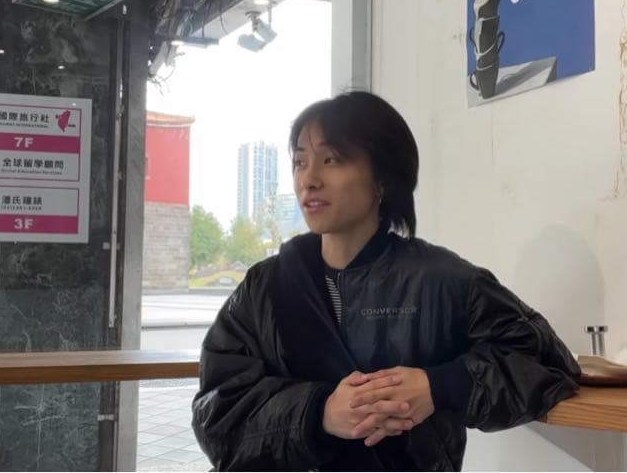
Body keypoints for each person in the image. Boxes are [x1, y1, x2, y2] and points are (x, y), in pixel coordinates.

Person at [191, 91, 581, 471]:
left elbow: (547, 361)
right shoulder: (265, 287)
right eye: (299, 162)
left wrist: (439, 386)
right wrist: (318, 413)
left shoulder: (441, 280)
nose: (309, 179)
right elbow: (217, 411)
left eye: (331, 159)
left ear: (383, 178)